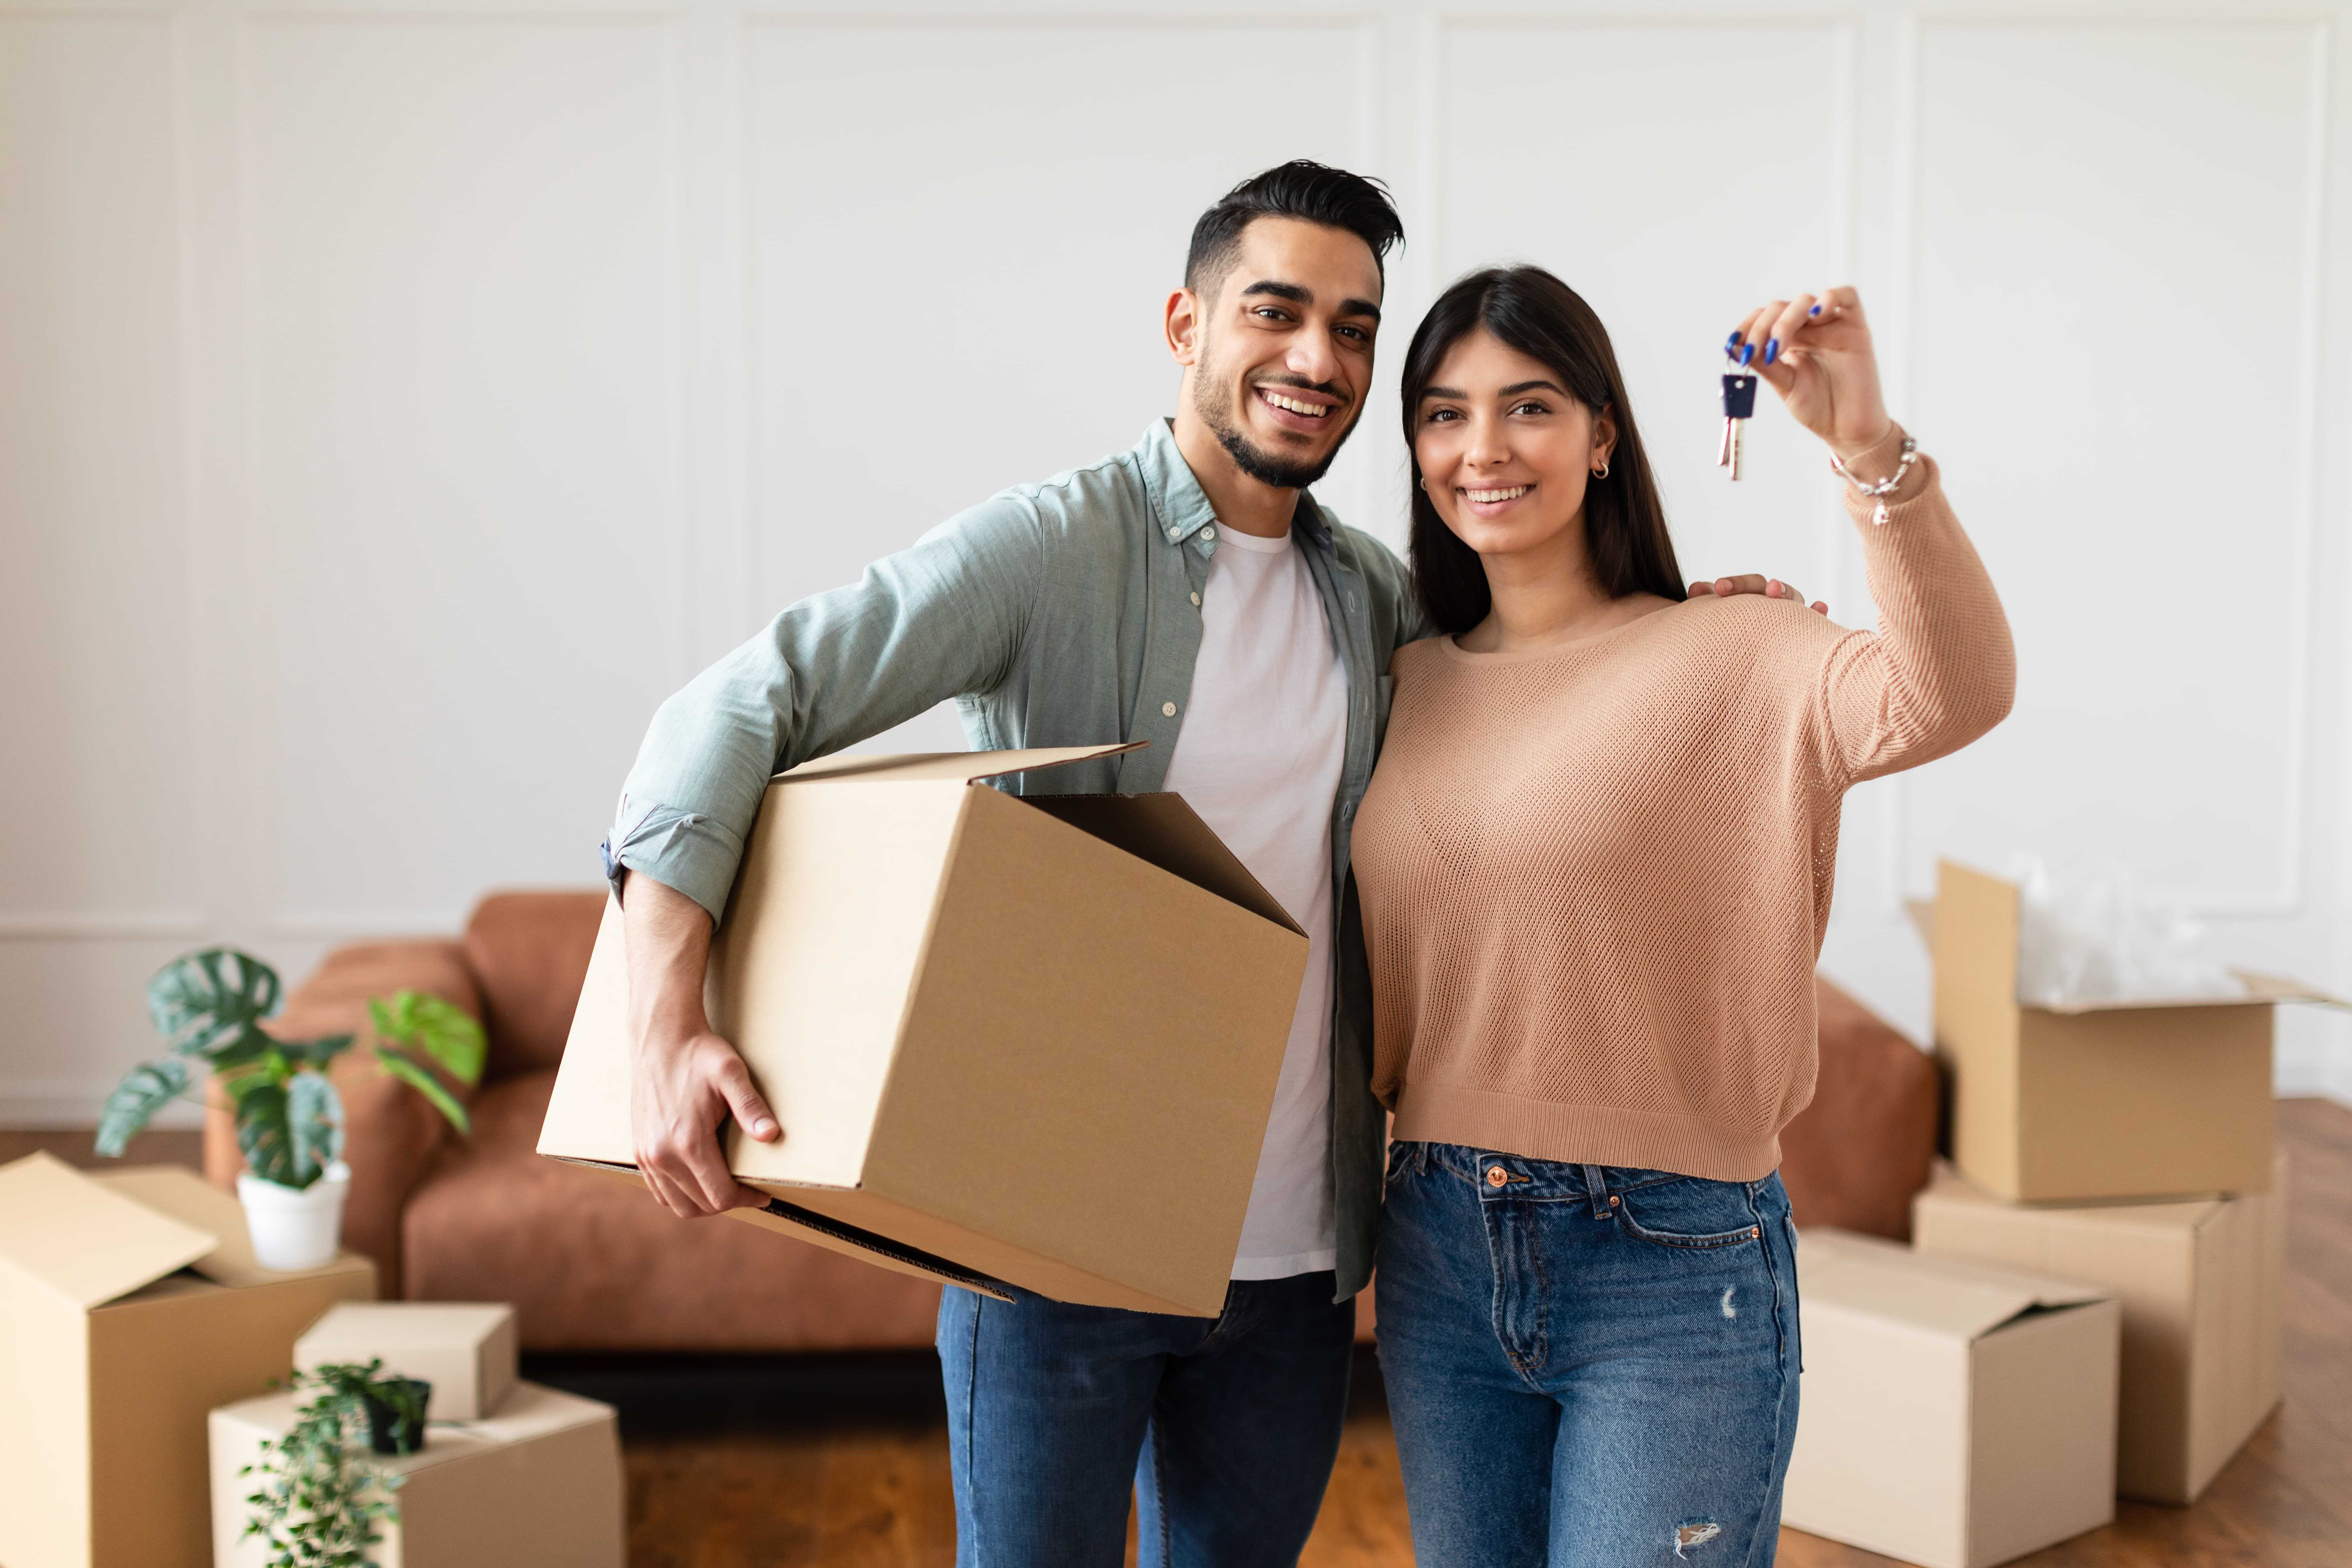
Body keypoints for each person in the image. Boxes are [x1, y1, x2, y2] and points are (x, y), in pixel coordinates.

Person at [604, 164, 1812, 1567]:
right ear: (1187, 324)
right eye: (1277, 311)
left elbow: (1546, 666)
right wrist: (663, 1023)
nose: (1318, 359)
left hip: (1294, 1273)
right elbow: (735, 711)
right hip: (1050, 1247)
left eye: (1355, 328)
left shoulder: (1375, 599)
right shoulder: (1052, 551)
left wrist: (1686, 623)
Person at [1352, 266, 2014, 1567]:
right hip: (1433, 1246)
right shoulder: (1397, 679)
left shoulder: (1739, 654)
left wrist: (1867, 447)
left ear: (1604, 436)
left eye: (1529, 407)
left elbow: (1961, 692)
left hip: (1670, 1260)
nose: (1482, 448)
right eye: (1444, 414)